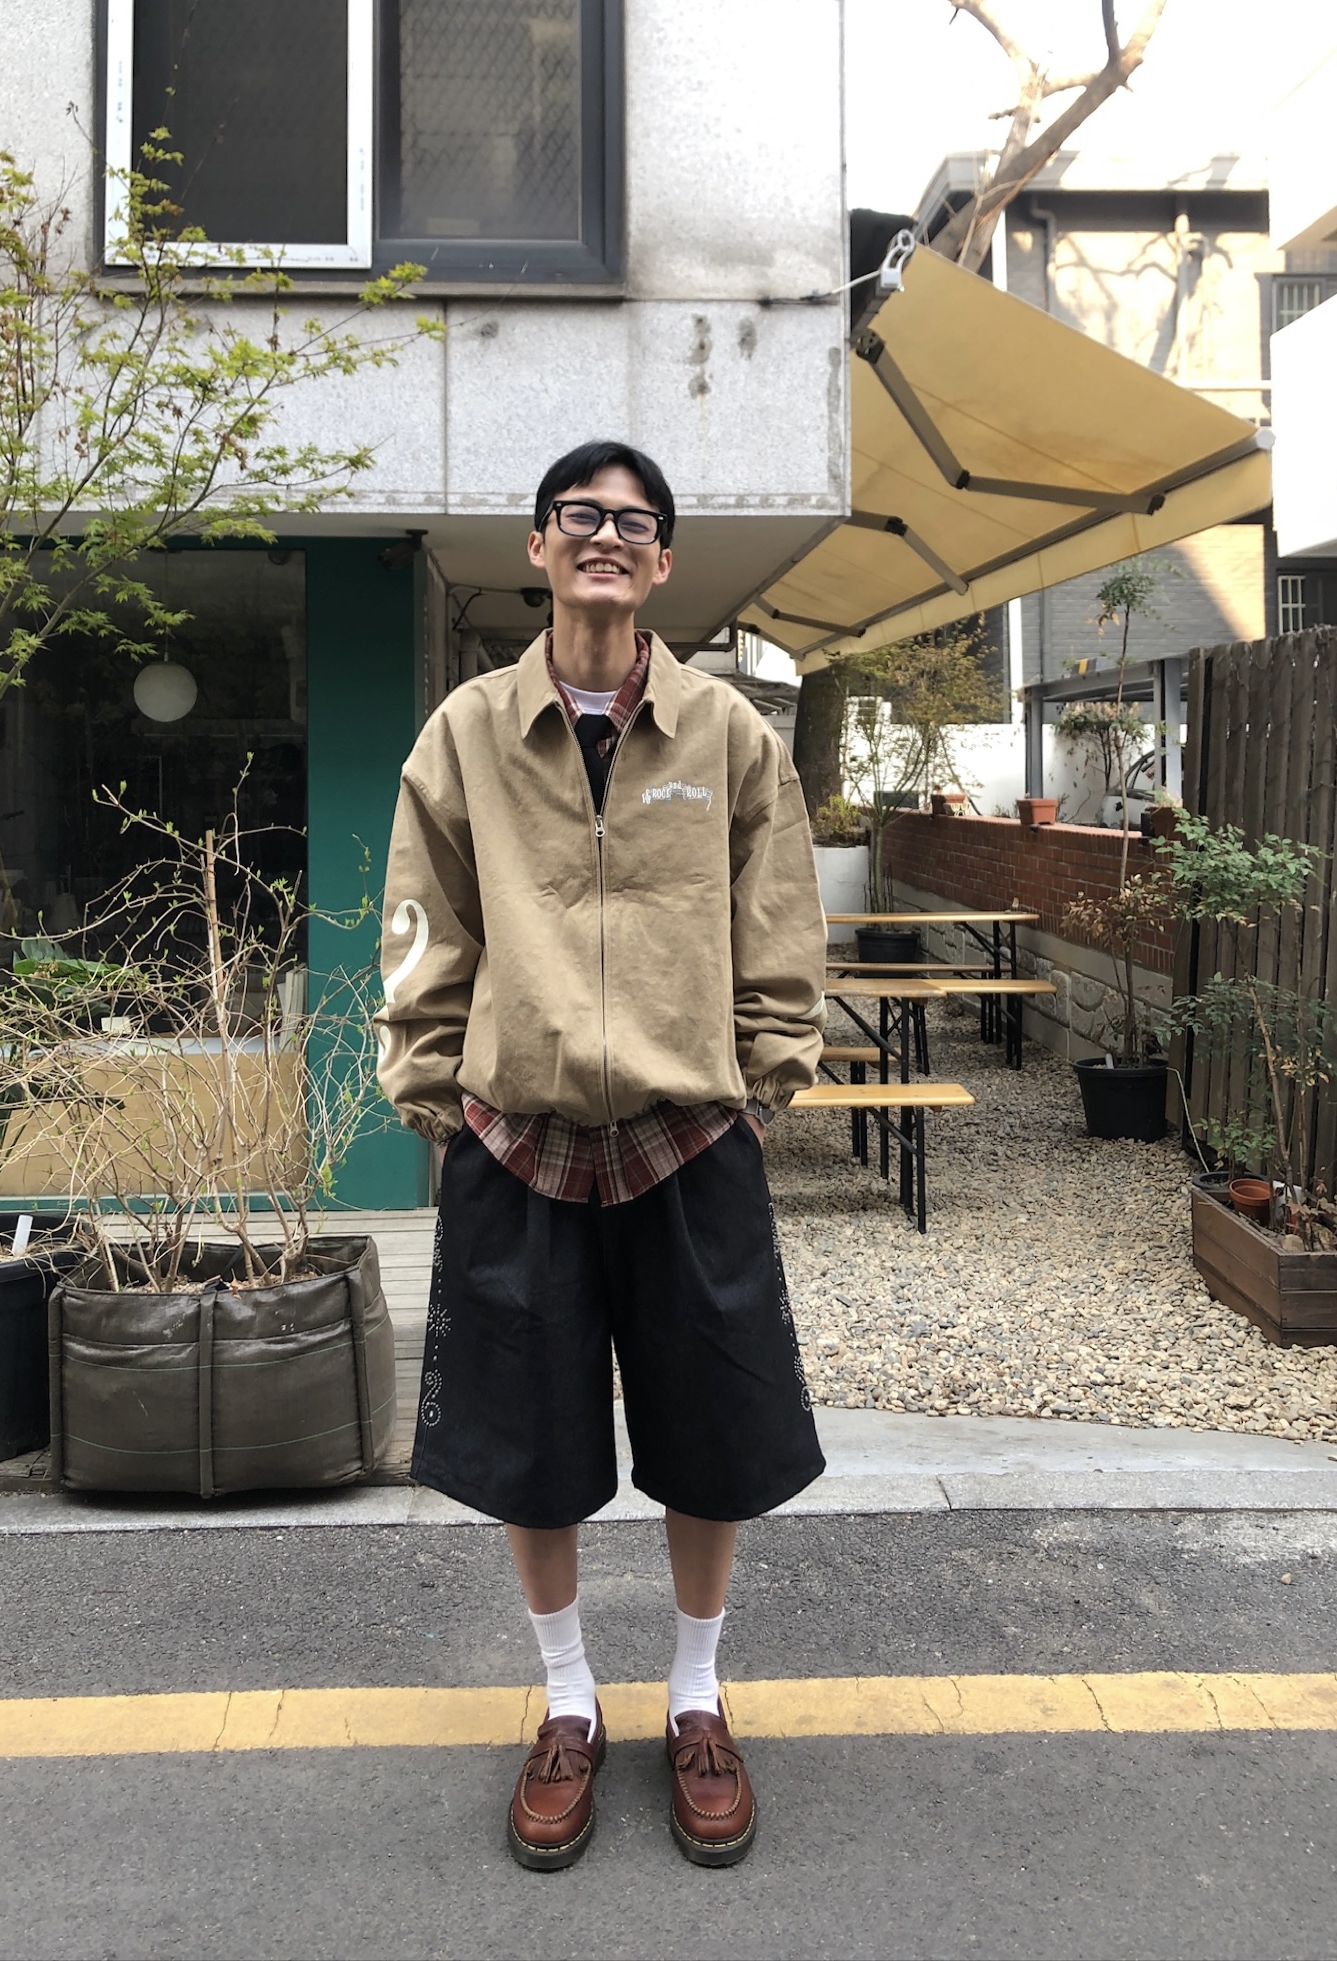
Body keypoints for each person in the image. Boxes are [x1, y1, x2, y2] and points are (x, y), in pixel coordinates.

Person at [377, 439, 826, 1871]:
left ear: (664, 561)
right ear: (540, 545)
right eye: (582, 515)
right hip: (518, 1137)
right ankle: (568, 1701)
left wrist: (767, 1084)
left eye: (635, 522)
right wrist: (434, 1093)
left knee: (712, 1430)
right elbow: (425, 921)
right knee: (534, 1442)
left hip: (693, 1135)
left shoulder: (728, 734)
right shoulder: (464, 732)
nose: (607, 538)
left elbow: (779, 916)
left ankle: (695, 1697)